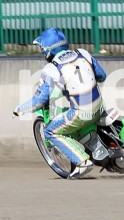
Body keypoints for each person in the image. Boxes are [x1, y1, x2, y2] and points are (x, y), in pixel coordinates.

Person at [12, 29, 107, 179]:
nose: (43, 52)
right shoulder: (83, 53)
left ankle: (82, 162)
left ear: (49, 48)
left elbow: (39, 100)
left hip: (81, 113)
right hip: (100, 106)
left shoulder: (51, 68)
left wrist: (20, 109)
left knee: (51, 131)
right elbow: (102, 76)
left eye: (42, 48)